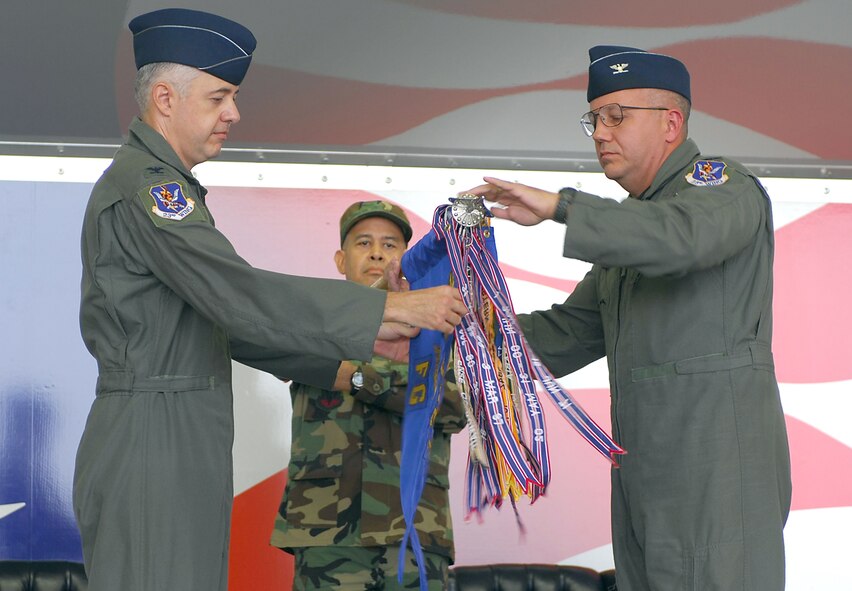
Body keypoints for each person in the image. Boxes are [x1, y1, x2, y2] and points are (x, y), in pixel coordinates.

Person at [73, 9, 465, 591]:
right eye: (219, 96)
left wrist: (351, 361)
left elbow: (235, 331)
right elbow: (238, 295)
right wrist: (388, 309)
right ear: (164, 98)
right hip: (155, 436)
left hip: (177, 433)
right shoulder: (149, 189)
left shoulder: (166, 186)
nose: (234, 113)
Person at [466, 46, 791, 590]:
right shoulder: (633, 229)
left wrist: (561, 207)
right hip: (644, 476)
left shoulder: (720, 187)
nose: (599, 132)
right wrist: (458, 330)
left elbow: (681, 239)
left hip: (715, 473)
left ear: (672, 123)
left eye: (617, 116)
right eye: (594, 118)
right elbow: (567, 333)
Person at [270, 200, 465, 590]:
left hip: (414, 529)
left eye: (390, 244)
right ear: (341, 260)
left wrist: (359, 377)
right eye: (363, 243)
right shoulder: (310, 321)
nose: (377, 252)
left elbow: (454, 409)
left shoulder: (438, 328)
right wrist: (399, 377)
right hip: (326, 528)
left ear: (406, 259)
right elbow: (276, 349)